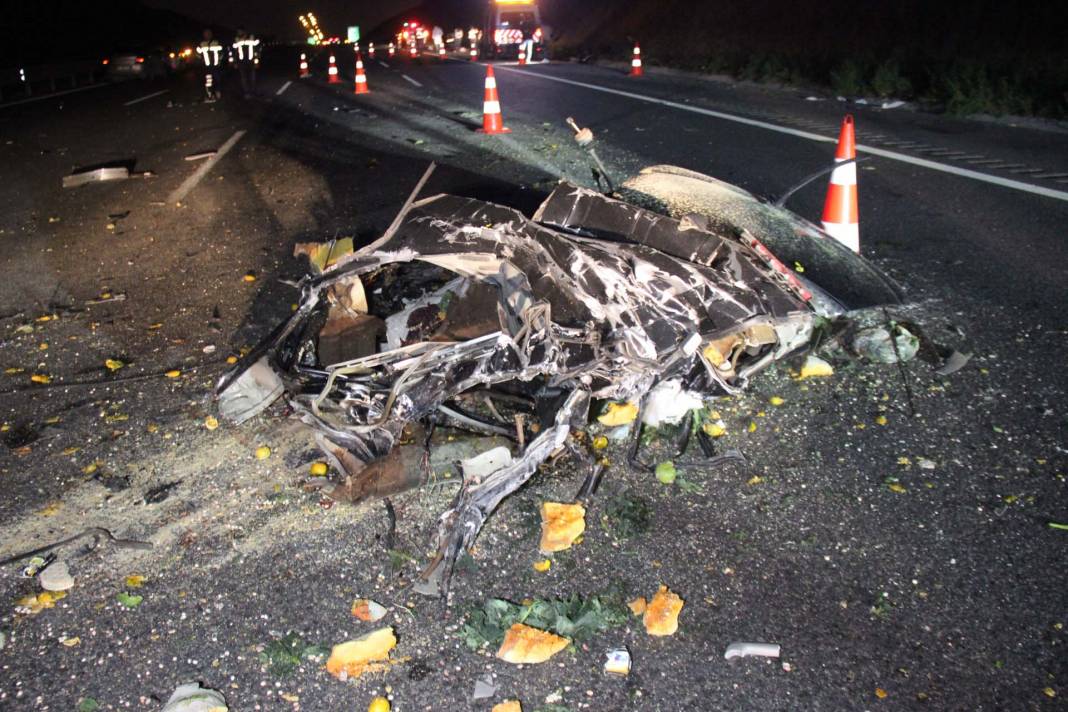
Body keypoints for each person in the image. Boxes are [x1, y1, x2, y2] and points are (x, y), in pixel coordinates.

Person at [232, 27, 260, 98]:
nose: (238, 33)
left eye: (239, 31)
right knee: (244, 78)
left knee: (252, 78)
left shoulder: (251, 38)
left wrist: (256, 62)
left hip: (251, 61)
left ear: (244, 31)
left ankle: (253, 92)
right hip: (241, 62)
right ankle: (247, 92)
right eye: (238, 32)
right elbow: (235, 52)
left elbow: (256, 51)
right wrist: (235, 62)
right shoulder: (237, 40)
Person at [196, 29, 223, 102]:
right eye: (205, 33)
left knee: (218, 80)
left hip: (216, 66)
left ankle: (218, 93)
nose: (207, 35)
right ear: (203, 35)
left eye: (208, 33)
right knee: (208, 81)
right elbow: (198, 55)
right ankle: (210, 95)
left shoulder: (216, 42)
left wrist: (219, 61)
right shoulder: (201, 44)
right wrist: (200, 61)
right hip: (206, 67)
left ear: (211, 34)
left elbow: (221, 53)